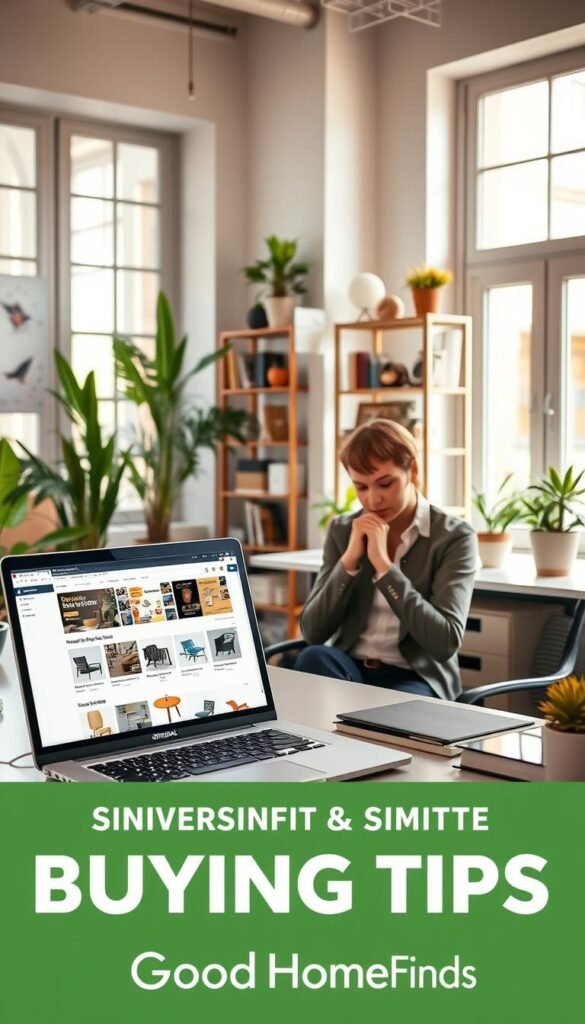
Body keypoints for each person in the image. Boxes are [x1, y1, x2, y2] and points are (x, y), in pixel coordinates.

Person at [297, 419, 477, 699]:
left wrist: (384, 567)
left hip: (415, 676)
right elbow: (313, 632)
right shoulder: (343, 530)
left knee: (391, 713)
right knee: (313, 657)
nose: (373, 500)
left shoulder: (454, 537)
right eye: (361, 487)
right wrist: (349, 562)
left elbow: (444, 642)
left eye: (385, 483)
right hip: (350, 670)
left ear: (413, 471)